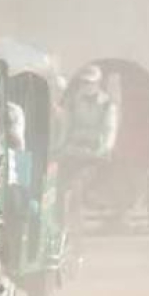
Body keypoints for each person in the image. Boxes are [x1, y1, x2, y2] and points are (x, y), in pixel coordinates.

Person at [56, 65, 119, 226]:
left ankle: (78, 211)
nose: (86, 85)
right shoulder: (72, 102)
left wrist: (104, 149)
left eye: (90, 82)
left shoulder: (107, 104)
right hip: (74, 148)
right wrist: (60, 147)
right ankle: (61, 216)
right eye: (83, 82)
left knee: (82, 179)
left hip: (96, 150)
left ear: (98, 83)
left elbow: (109, 130)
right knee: (58, 178)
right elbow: (66, 127)